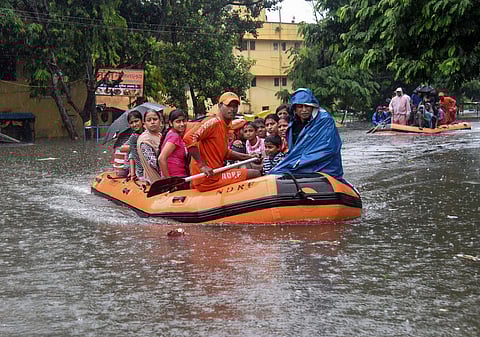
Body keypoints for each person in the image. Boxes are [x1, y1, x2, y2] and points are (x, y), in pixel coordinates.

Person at [183, 91, 261, 192]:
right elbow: (189, 138)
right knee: (255, 173)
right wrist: (202, 166)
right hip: (208, 178)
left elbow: (225, 152)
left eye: (235, 106)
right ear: (220, 106)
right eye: (228, 106)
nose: (232, 109)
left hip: (216, 174)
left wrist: (249, 157)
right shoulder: (214, 122)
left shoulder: (226, 126)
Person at [269, 88, 344, 179]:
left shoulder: (324, 120)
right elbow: (295, 149)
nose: (304, 110)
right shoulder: (293, 124)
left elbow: (328, 148)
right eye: (300, 107)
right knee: (275, 173)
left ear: (313, 107)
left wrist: (297, 163)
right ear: (295, 108)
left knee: (279, 172)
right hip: (301, 163)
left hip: (325, 166)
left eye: (307, 106)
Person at [137, 109, 165, 183]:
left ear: (160, 121)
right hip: (155, 178)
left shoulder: (160, 135)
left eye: (155, 119)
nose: (152, 122)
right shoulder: (145, 140)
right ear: (144, 124)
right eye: (149, 120)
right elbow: (153, 163)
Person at [158, 109, 188, 178]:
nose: (182, 124)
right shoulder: (175, 136)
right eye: (178, 121)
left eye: (183, 121)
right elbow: (161, 158)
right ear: (171, 123)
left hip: (176, 175)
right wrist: (169, 180)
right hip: (176, 177)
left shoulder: (172, 133)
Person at [125, 109, 144, 180]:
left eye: (136, 121)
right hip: (141, 169)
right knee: (131, 153)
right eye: (131, 123)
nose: (134, 124)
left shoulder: (148, 132)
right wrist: (139, 173)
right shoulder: (133, 137)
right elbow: (134, 155)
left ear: (142, 121)